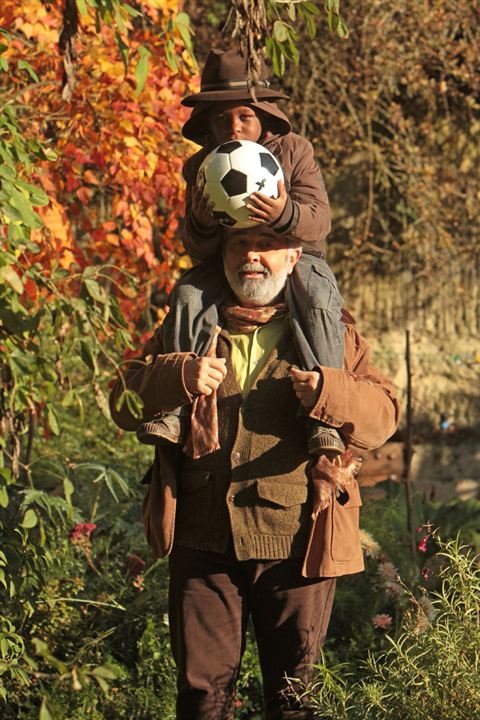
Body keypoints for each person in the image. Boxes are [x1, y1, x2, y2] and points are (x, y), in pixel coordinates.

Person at [109, 226, 400, 720]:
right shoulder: (192, 325)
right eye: (239, 245)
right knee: (202, 699)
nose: (251, 257)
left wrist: (330, 391)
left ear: (293, 257)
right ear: (222, 255)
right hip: (201, 543)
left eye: (265, 246)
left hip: (299, 545)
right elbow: (121, 399)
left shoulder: (331, 332)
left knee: (293, 700)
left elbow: (385, 414)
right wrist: (176, 375)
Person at [136, 48, 346, 456]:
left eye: (244, 116)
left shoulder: (294, 150)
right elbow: (196, 249)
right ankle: (176, 409)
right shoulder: (200, 165)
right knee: (188, 295)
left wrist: (285, 214)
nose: (234, 127)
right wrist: (201, 222)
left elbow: (320, 221)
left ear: (263, 116)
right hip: (226, 263)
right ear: (208, 125)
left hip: (294, 258)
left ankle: (326, 416)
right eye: (222, 118)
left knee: (320, 299)